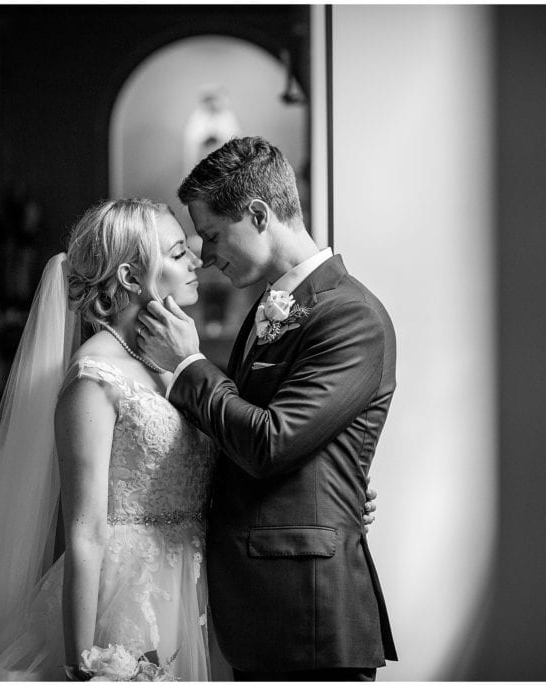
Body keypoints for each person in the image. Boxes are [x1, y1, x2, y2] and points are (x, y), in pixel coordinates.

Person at [0, 198, 214, 680]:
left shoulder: (171, 357)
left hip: (191, 584)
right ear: (132, 278)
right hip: (126, 601)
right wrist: (85, 661)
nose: (196, 260)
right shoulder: (94, 377)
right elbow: (86, 530)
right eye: (178, 253)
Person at [137, 136, 398, 681]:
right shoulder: (272, 305)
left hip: (309, 614)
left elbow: (269, 441)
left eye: (210, 235)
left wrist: (188, 367)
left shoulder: (352, 316)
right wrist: (338, 484)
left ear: (257, 214)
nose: (204, 257)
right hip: (265, 608)